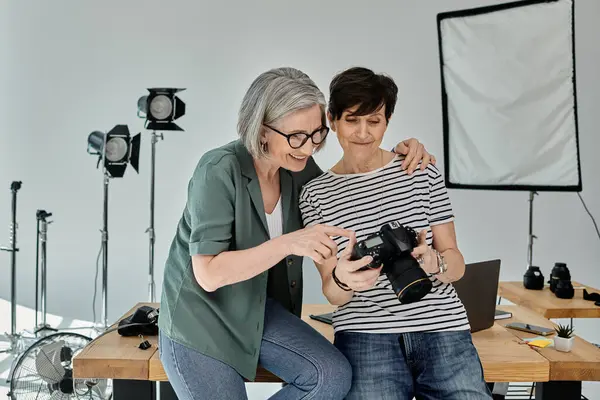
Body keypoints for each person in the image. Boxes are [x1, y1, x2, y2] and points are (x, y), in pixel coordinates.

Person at [157, 66, 435, 400]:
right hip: (202, 319)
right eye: (296, 137)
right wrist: (288, 243)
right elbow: (209, 274)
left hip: (259, 310)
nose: (308, 148)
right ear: (261, 129)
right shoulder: (217, 170)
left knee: (331, 376)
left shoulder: (298, 172)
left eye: (317, 134)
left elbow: (348, 186)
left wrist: (403, 153)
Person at [299, 67, 493, 399]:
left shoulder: (419, 169)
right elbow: (332, 293)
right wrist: (345, 278)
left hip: (441, 327)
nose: (363, 132)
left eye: (374, 121)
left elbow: (456, 263)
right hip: (365, 335)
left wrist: (435, 264)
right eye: (352, 120)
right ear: (331, 119)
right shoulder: (315, 195)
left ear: (387, 121)